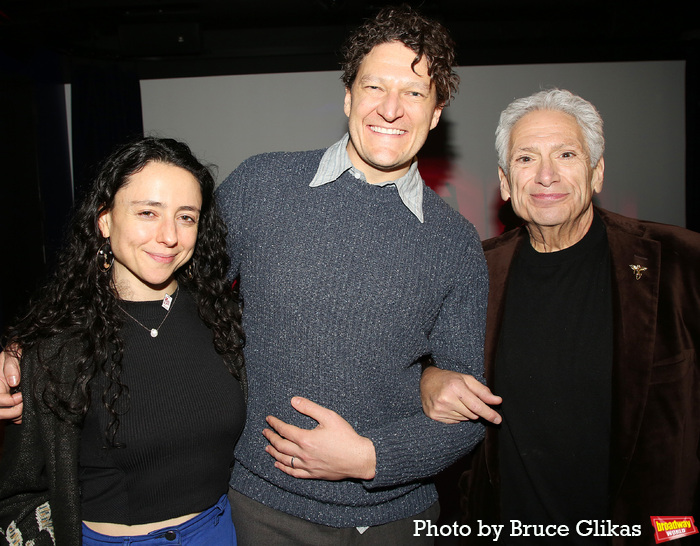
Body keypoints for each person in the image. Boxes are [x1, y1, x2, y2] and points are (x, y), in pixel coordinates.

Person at [1, 6, 501, 544]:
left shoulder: (455, 242)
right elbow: (159, 279)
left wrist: (370, 457)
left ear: (436, 111)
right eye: (375, 86)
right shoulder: (263, 185)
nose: (391, 108)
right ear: (349, 95)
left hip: (400, 519)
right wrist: (31, 353)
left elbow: (467, 415)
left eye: (414, 93)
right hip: (261, 511)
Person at [421, 89, 700, 545]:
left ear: (597, 172)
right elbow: (419, 364)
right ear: (506, 183)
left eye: (566, 154)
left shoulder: (681, 263)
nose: (545, 175)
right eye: (526, 158)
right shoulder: (474, 272)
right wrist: (428, 379)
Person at [0, 137, 246, 545]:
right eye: (148, 212)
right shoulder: (57, 344)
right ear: (105, 220)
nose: (169, 235)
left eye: (186, 217)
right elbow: (20, 487)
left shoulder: (223, 318)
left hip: (220, 532)